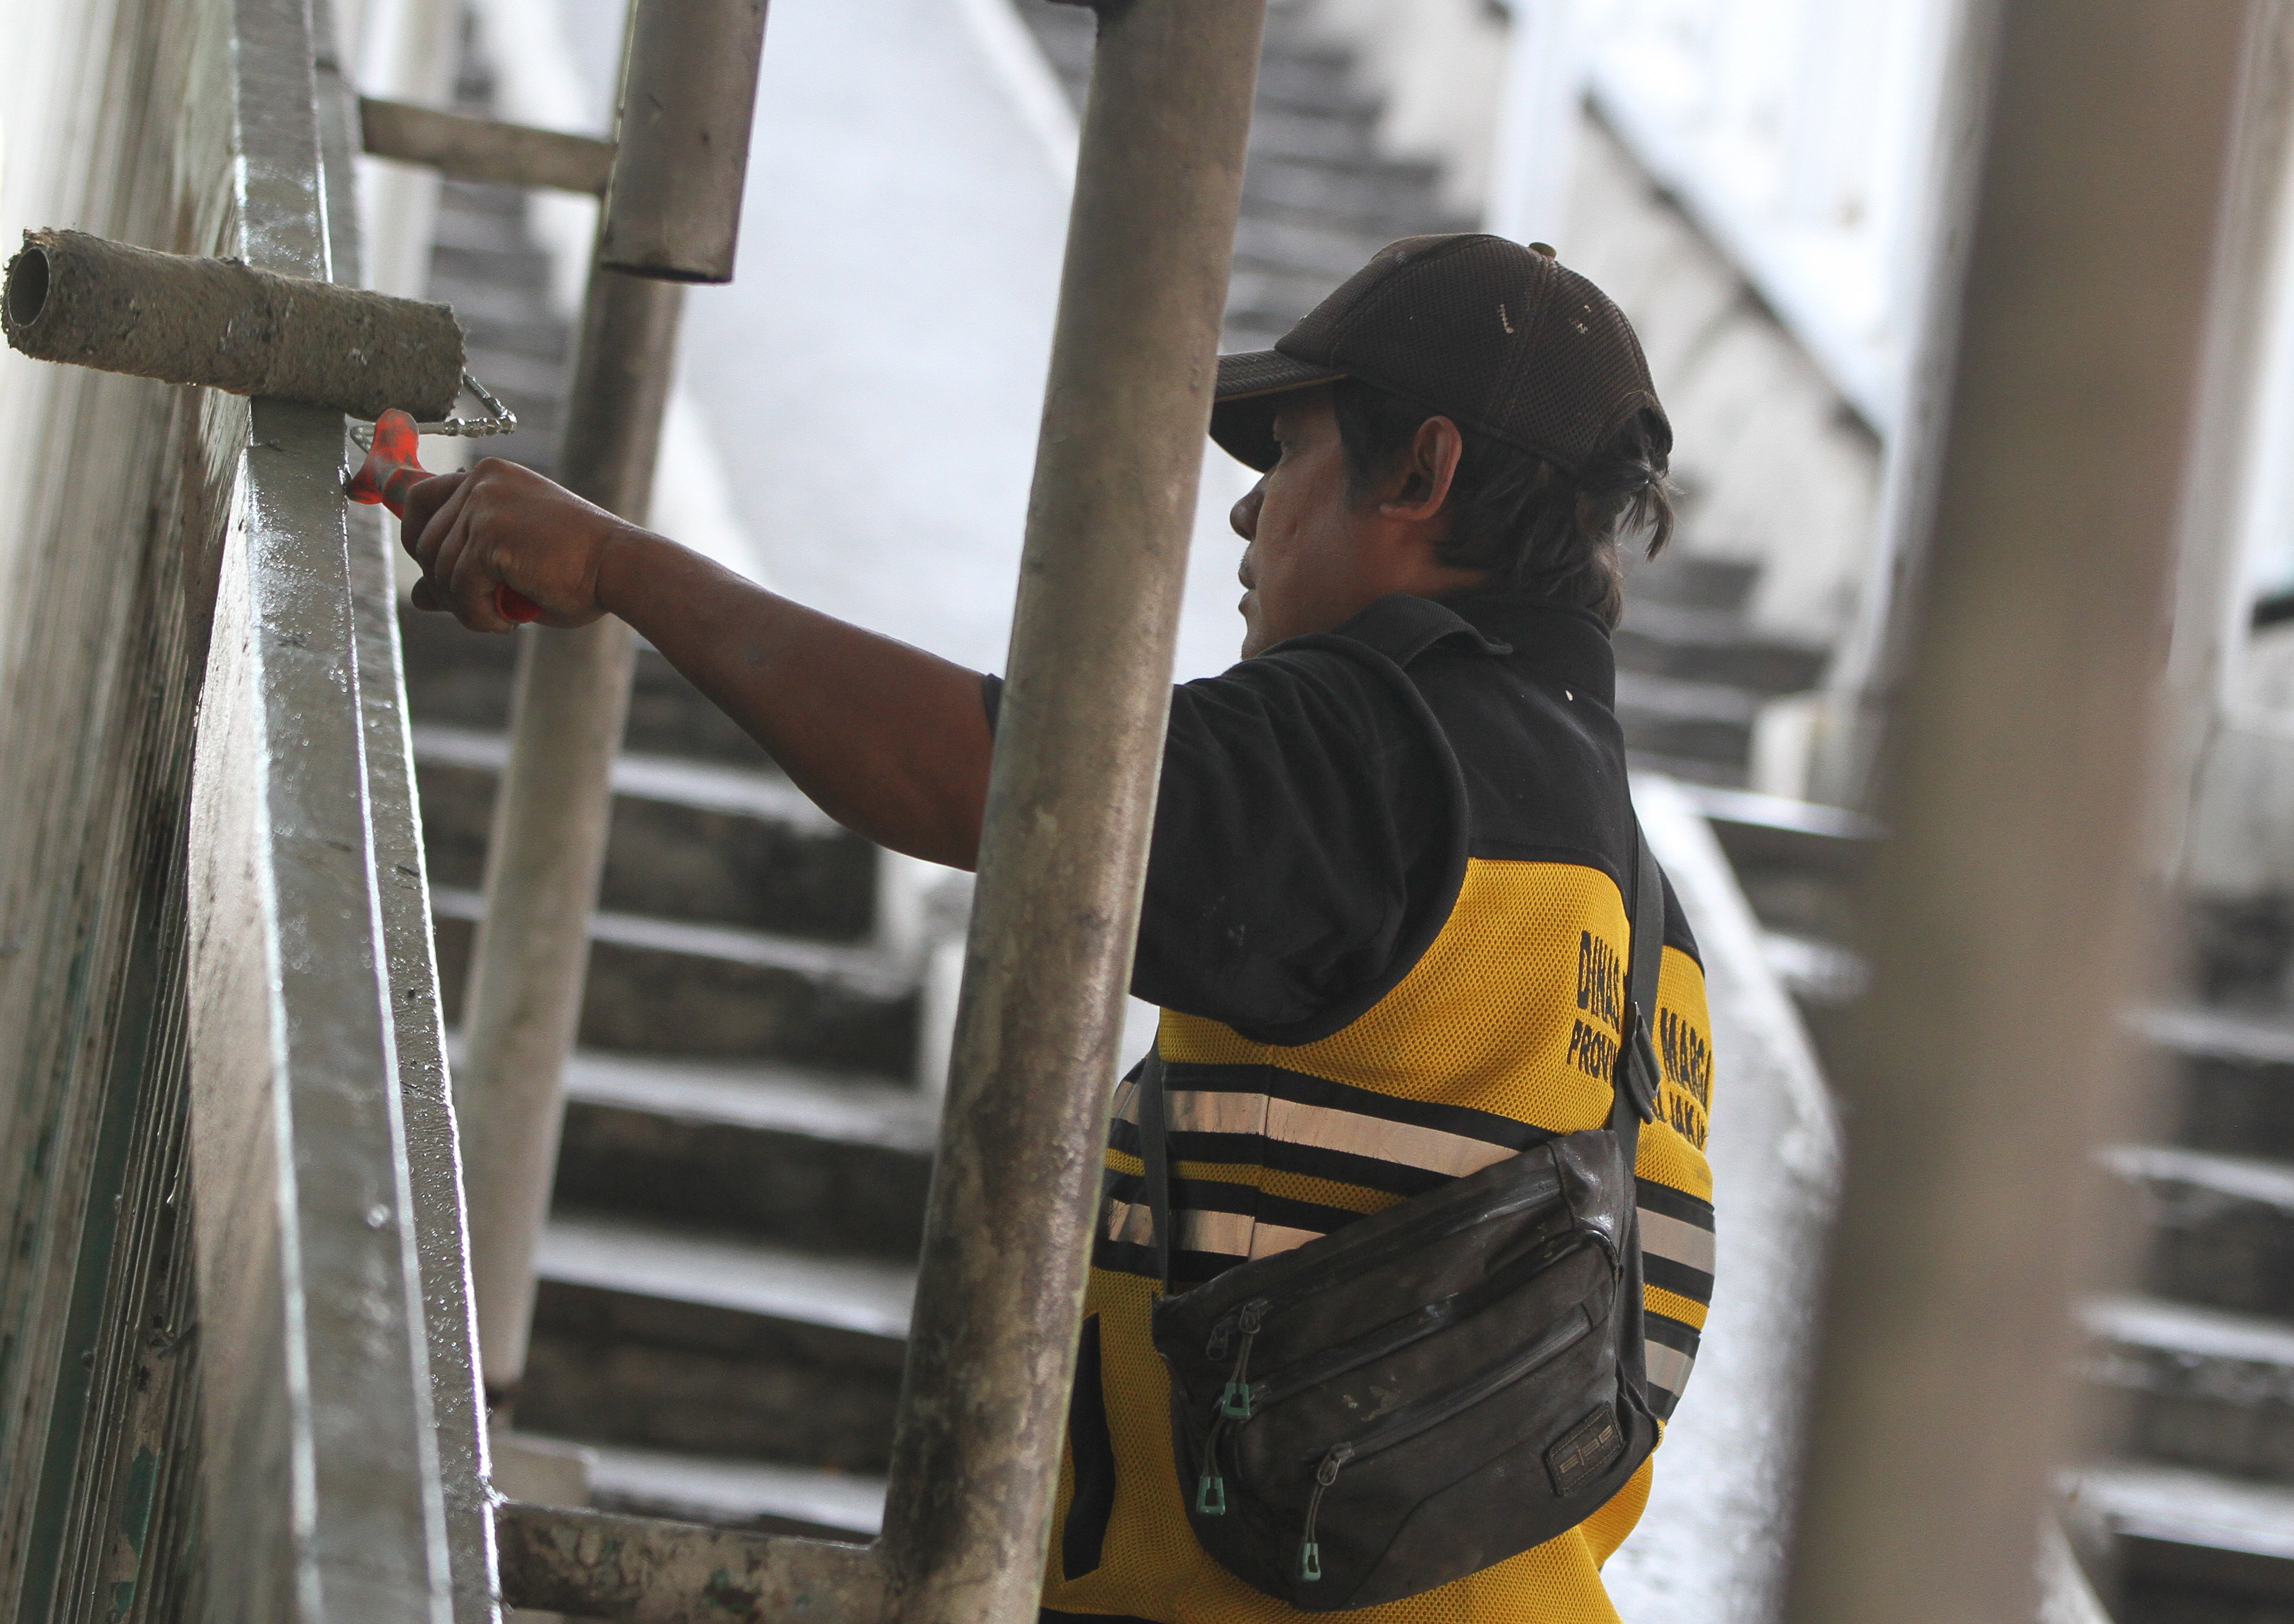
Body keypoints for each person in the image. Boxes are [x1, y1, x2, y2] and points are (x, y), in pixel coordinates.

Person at [399, 233, 1718, 1624]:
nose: (1245, 513)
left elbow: (987, 779)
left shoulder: (1378, 758)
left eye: (1289, 455)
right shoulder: (1644, 921)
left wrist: (616, 563)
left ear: (1419, 473)